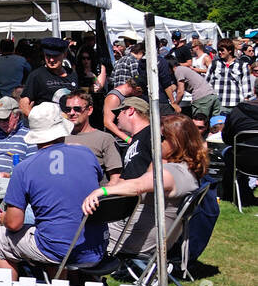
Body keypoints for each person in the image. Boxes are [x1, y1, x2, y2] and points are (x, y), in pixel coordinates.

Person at [0, 103, 107, 286]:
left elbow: (14, 224)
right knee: (53, 232)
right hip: (96, 245)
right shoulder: (87, 154)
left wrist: (3, 218)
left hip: (57, 248)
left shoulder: (24, 167)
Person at [85, 113, 208, 258]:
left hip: (137, 239)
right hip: (154, 236)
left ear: (176, 141)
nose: (154, 142)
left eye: (160, 138)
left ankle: (77, 276)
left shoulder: (170, 174)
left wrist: (102, 190)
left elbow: (138, 185)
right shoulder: (185, 168)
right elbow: (147, 177)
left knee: (74, 228)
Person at [62, 90, 123, 182]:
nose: (71, 113)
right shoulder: (59, 138)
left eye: (77, 109)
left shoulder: (104, 139)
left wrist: (103, 193)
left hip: (95, 193)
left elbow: (115, 178)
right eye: (68, 109)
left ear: (89, 110)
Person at [19, 37, 75, 117]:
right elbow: (24, 103)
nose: (51, 60)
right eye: (48, 56)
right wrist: (37, 120)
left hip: (70, 125)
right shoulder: (37, 75)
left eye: (55, 56)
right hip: (47, 126)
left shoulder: (72, 74)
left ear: (64, 55)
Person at [205, 39, 252, 115]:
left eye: (222, 50)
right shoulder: (214, 64)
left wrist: (246, 101)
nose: (220, 52)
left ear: (230, 50)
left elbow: (246, 85)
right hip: (218, 104)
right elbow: (206, 83)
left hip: (236, 103)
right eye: (219, 50)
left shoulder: (242, 65)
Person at [114, 96, 155, 179]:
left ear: (130, 110)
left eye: (120, 111)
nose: (117, 117)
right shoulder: (134, 142)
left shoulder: (151, 135)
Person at [0, 38, 29, 104]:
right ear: (13, 48)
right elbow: (29, 74)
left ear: (0, 49)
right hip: (17, 99)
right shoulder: (22, 60)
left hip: (0, 100)